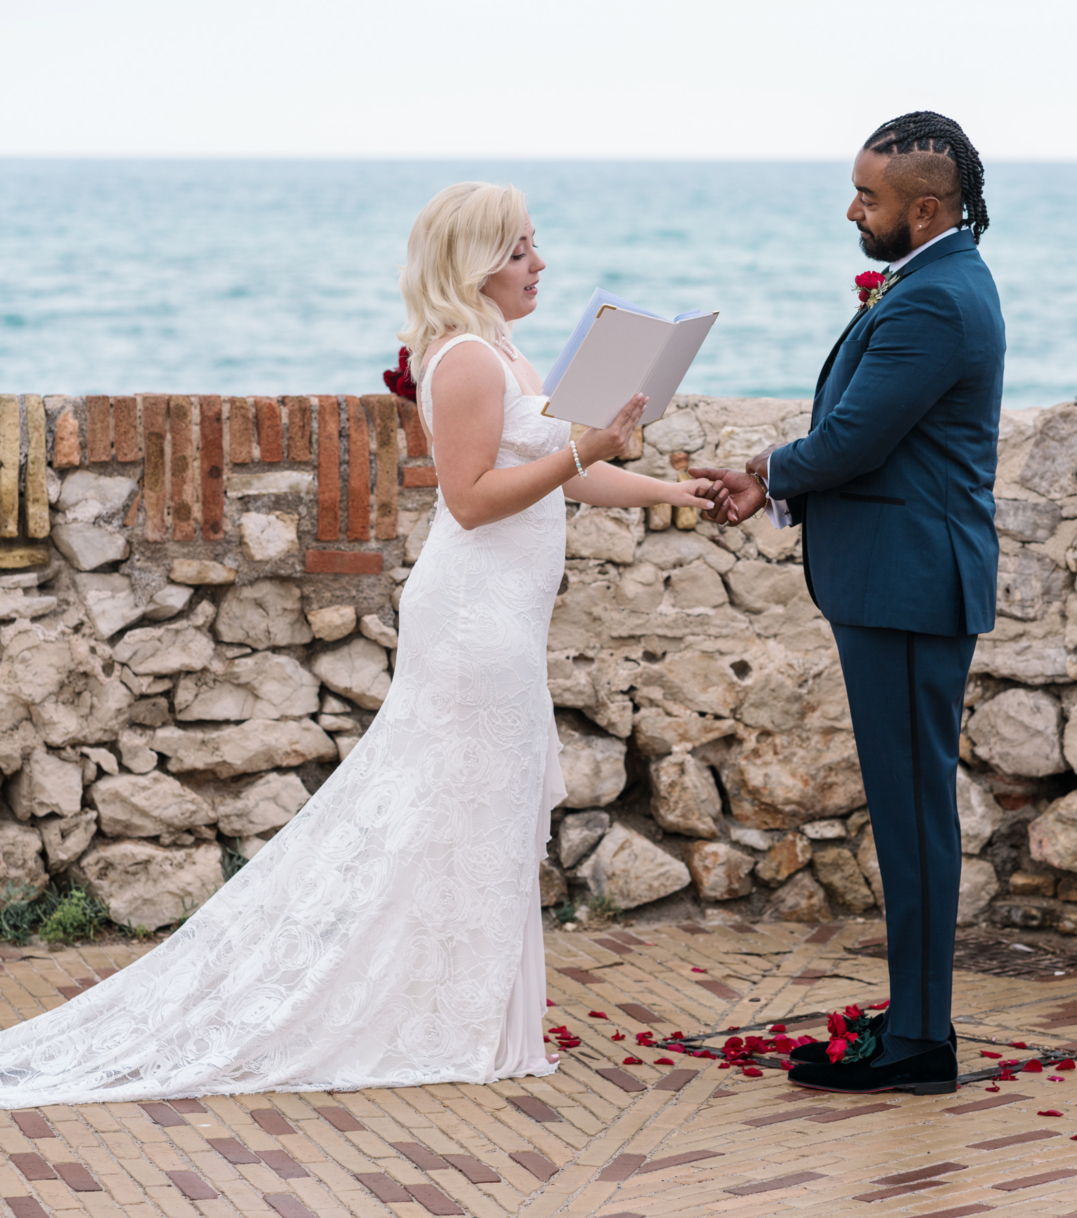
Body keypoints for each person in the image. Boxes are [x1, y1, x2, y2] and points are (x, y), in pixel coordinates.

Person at [0, 181, 717, 1105]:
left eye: (535, 246)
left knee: (479, 815)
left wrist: (674, 492)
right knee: (458, 808)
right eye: (520, 251)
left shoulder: (506, 352)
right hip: (473, 618)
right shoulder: (463, 359)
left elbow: (561, 483)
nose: (541, 265)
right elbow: (469, 499)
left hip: (506, 613)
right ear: (472, 264)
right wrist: (585, 448)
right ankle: (440, 1015)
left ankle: (461, 1010)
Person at [693, 112, 1005, 1097]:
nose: (851, 209)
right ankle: (914, 1019)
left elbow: (855, 438)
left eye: (868, 198)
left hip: (908, 588)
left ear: (924, 210)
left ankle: (919, 1042)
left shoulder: (935, 300)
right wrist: (776, 474)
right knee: (910, 809)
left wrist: (763, 471)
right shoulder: (938, 282)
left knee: (914, 815)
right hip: (901, 582)